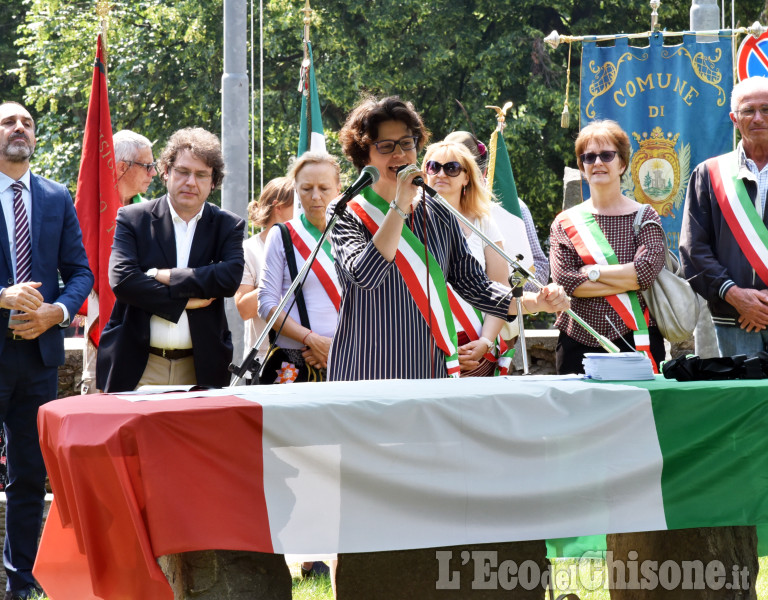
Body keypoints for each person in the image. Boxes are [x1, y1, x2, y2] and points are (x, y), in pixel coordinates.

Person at [327, 95, 568, 381]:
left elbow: (475, 285)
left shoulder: (437, 212)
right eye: (386, 146)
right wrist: (399, 206)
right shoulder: (346, 210)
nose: (400, 155)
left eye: (407, 143)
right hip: (368, 365)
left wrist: (534, 302)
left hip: (430, 368)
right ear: (364, 153)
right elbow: (366, 275)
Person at [0, 101, 93, 599]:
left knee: (30, 478)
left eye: (28, 123)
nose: (20, 129)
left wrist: (55, 313)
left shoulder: (57, 197)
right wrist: (3, 296)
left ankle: (21, 585)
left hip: (38, 358)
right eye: (9, 121)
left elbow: (81, 272)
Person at [96, 127, 245, 392]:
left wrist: (165, 276)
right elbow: (124, 281)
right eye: (183, 171)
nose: (191, 182)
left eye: (201, 175)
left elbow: (229, 279)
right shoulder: (132, 219)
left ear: (213, 182)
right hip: (137, 363)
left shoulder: (227, 226)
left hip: (201, 366)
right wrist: (187, 300)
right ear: (166, 172)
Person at [549, 120, 666, 374]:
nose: (598, 162)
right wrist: (630, 277)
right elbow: (566, 282)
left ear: (622, 163)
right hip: (577, 340)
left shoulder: (646, 216)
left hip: (638, 337)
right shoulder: (564, 223)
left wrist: (590, 272)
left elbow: (646, 273)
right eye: (589, 157)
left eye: (607, 155)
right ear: (582, 167)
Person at [680, 75, 768, 356]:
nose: (757, 118)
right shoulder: (709, 174)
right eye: (748, 110)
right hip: (734, 320)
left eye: (766, 109)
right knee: (742, 400)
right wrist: (735, 295)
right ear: (734, 117)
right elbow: (694, 248)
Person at [421, 140, 509, 376]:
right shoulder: (410, 223)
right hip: (427, 350)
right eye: (433, 167)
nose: (441, 173)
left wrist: (485, 342)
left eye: (451, 168)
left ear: (467, 177)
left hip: (476, 347)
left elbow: (500, 287)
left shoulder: (483, 223)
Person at [80, 129, 156, 394]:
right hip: (101, 329)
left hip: (145, 331)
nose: (154, 173)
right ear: (122, 166)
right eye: (148, 166)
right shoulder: (89, 213)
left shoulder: (152, 214)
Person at [257, 153, 341, 383]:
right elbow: (266, 304)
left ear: (338, 189)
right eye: (306, 188)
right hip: (295, 358)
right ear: (296, 190)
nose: (316, 196)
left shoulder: (354, 234)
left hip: (347, 357)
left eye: (324, 188)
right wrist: (312, 340)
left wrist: (336, 348)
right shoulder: (282, 235)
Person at [444, 130, 550, 291]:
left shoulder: (512, 210)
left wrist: (503, 291)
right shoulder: (428, 211)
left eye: (455, 168)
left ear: (481, 170)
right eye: (445, 167)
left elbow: (540, 269)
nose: (446, 174)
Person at [234, 177, 294, 376]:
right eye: (298, 204)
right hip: (264, 361)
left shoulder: (308, 246)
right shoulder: (249, 249)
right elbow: (244, 309)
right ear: (279, 207)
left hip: (306, 357)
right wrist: (277, 281)